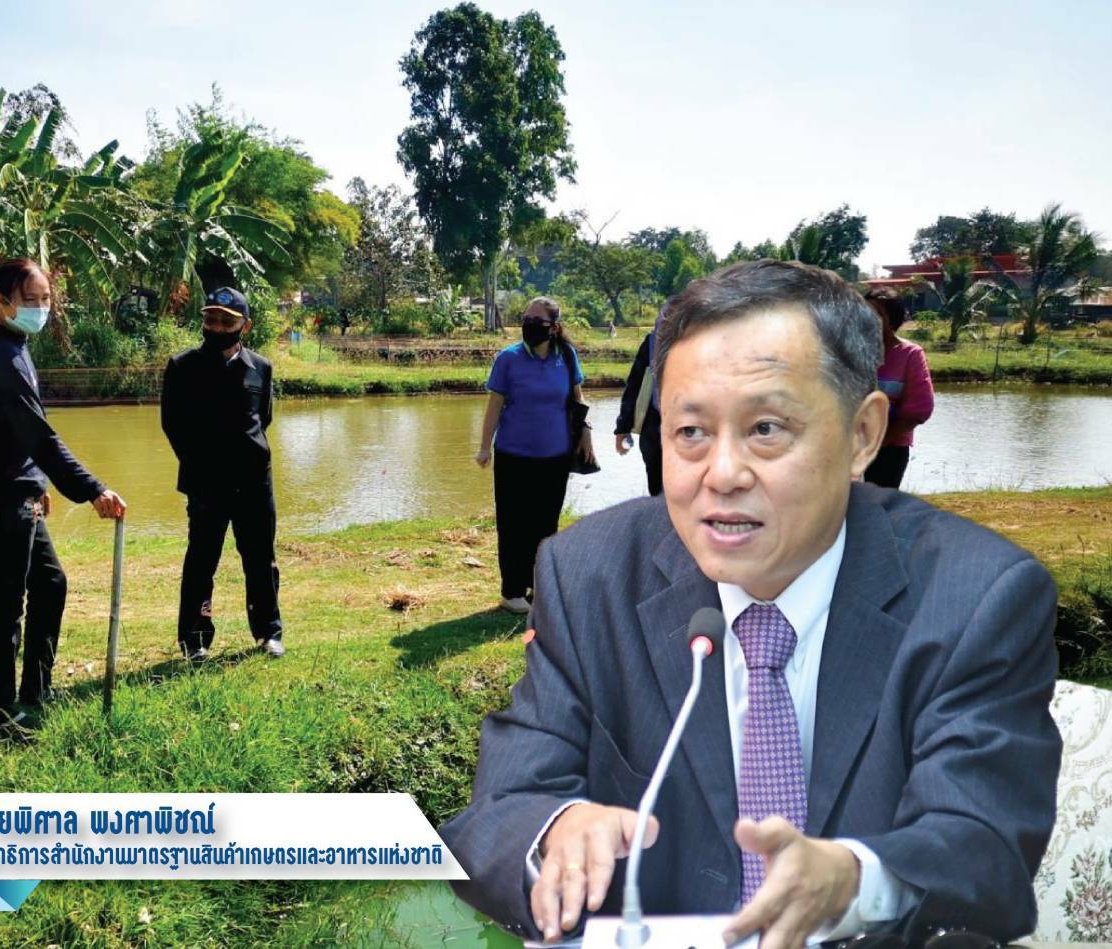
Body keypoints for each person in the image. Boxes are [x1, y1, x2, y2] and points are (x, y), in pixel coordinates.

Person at [443, 260, 1060, 946]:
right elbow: (494, 815)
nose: (724, 474)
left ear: (862, 435)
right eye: (690, 432)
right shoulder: (587, 574)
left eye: (766, 428)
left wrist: (856, 880)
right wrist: (554, 830)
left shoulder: (976, 594)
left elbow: (985, 847)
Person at [0, 258, 125, 735]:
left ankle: (36, 688)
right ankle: (0, 711)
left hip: (20, 487)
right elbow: (40, 436)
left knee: (51, 584)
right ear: (1, 302)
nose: (40, 308)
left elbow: (16, 433)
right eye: (29, 300)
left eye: (45, 299)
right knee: (4, 604)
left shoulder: (14, 345)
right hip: (1, 495)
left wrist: (38, 484)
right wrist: (92, 489)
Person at [160, 287, 283, 662]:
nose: (216, 327)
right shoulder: (182, 367)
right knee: (201, 561)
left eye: (226, 322)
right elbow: (172, 425)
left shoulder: (261, 367)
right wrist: (201, 464)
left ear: (245, 325)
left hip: (254, 483)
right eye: (210, 319)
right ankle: (195, 640)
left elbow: (263, 418)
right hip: (206, 484)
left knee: (260, 559)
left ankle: (268, 632)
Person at [475, 297, 596, 614]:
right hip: (513, 456)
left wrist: (585, 431)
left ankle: (538, 587)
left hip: (555, 457)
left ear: (554, 327)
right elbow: (494, 406)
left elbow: (577, 398)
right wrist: (484, 446)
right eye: (525, 319)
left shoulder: (565, 356)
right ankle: (512, 591)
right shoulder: (508, 359)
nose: (528, 325)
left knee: (545, 525)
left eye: (536, 321)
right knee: (514, 524)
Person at [863, 291, 934, 490]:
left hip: (890, 450)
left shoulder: (910, 355)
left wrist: (879, 441)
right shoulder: (850, 352)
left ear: (892, 319)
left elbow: (919, 409)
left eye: (875, 314)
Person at [613, 332, 663, 496]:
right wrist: (623, 428)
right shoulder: (653, 340)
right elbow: (635, 382)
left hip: (694, 433)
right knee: (658, 493)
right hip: (654, 434)